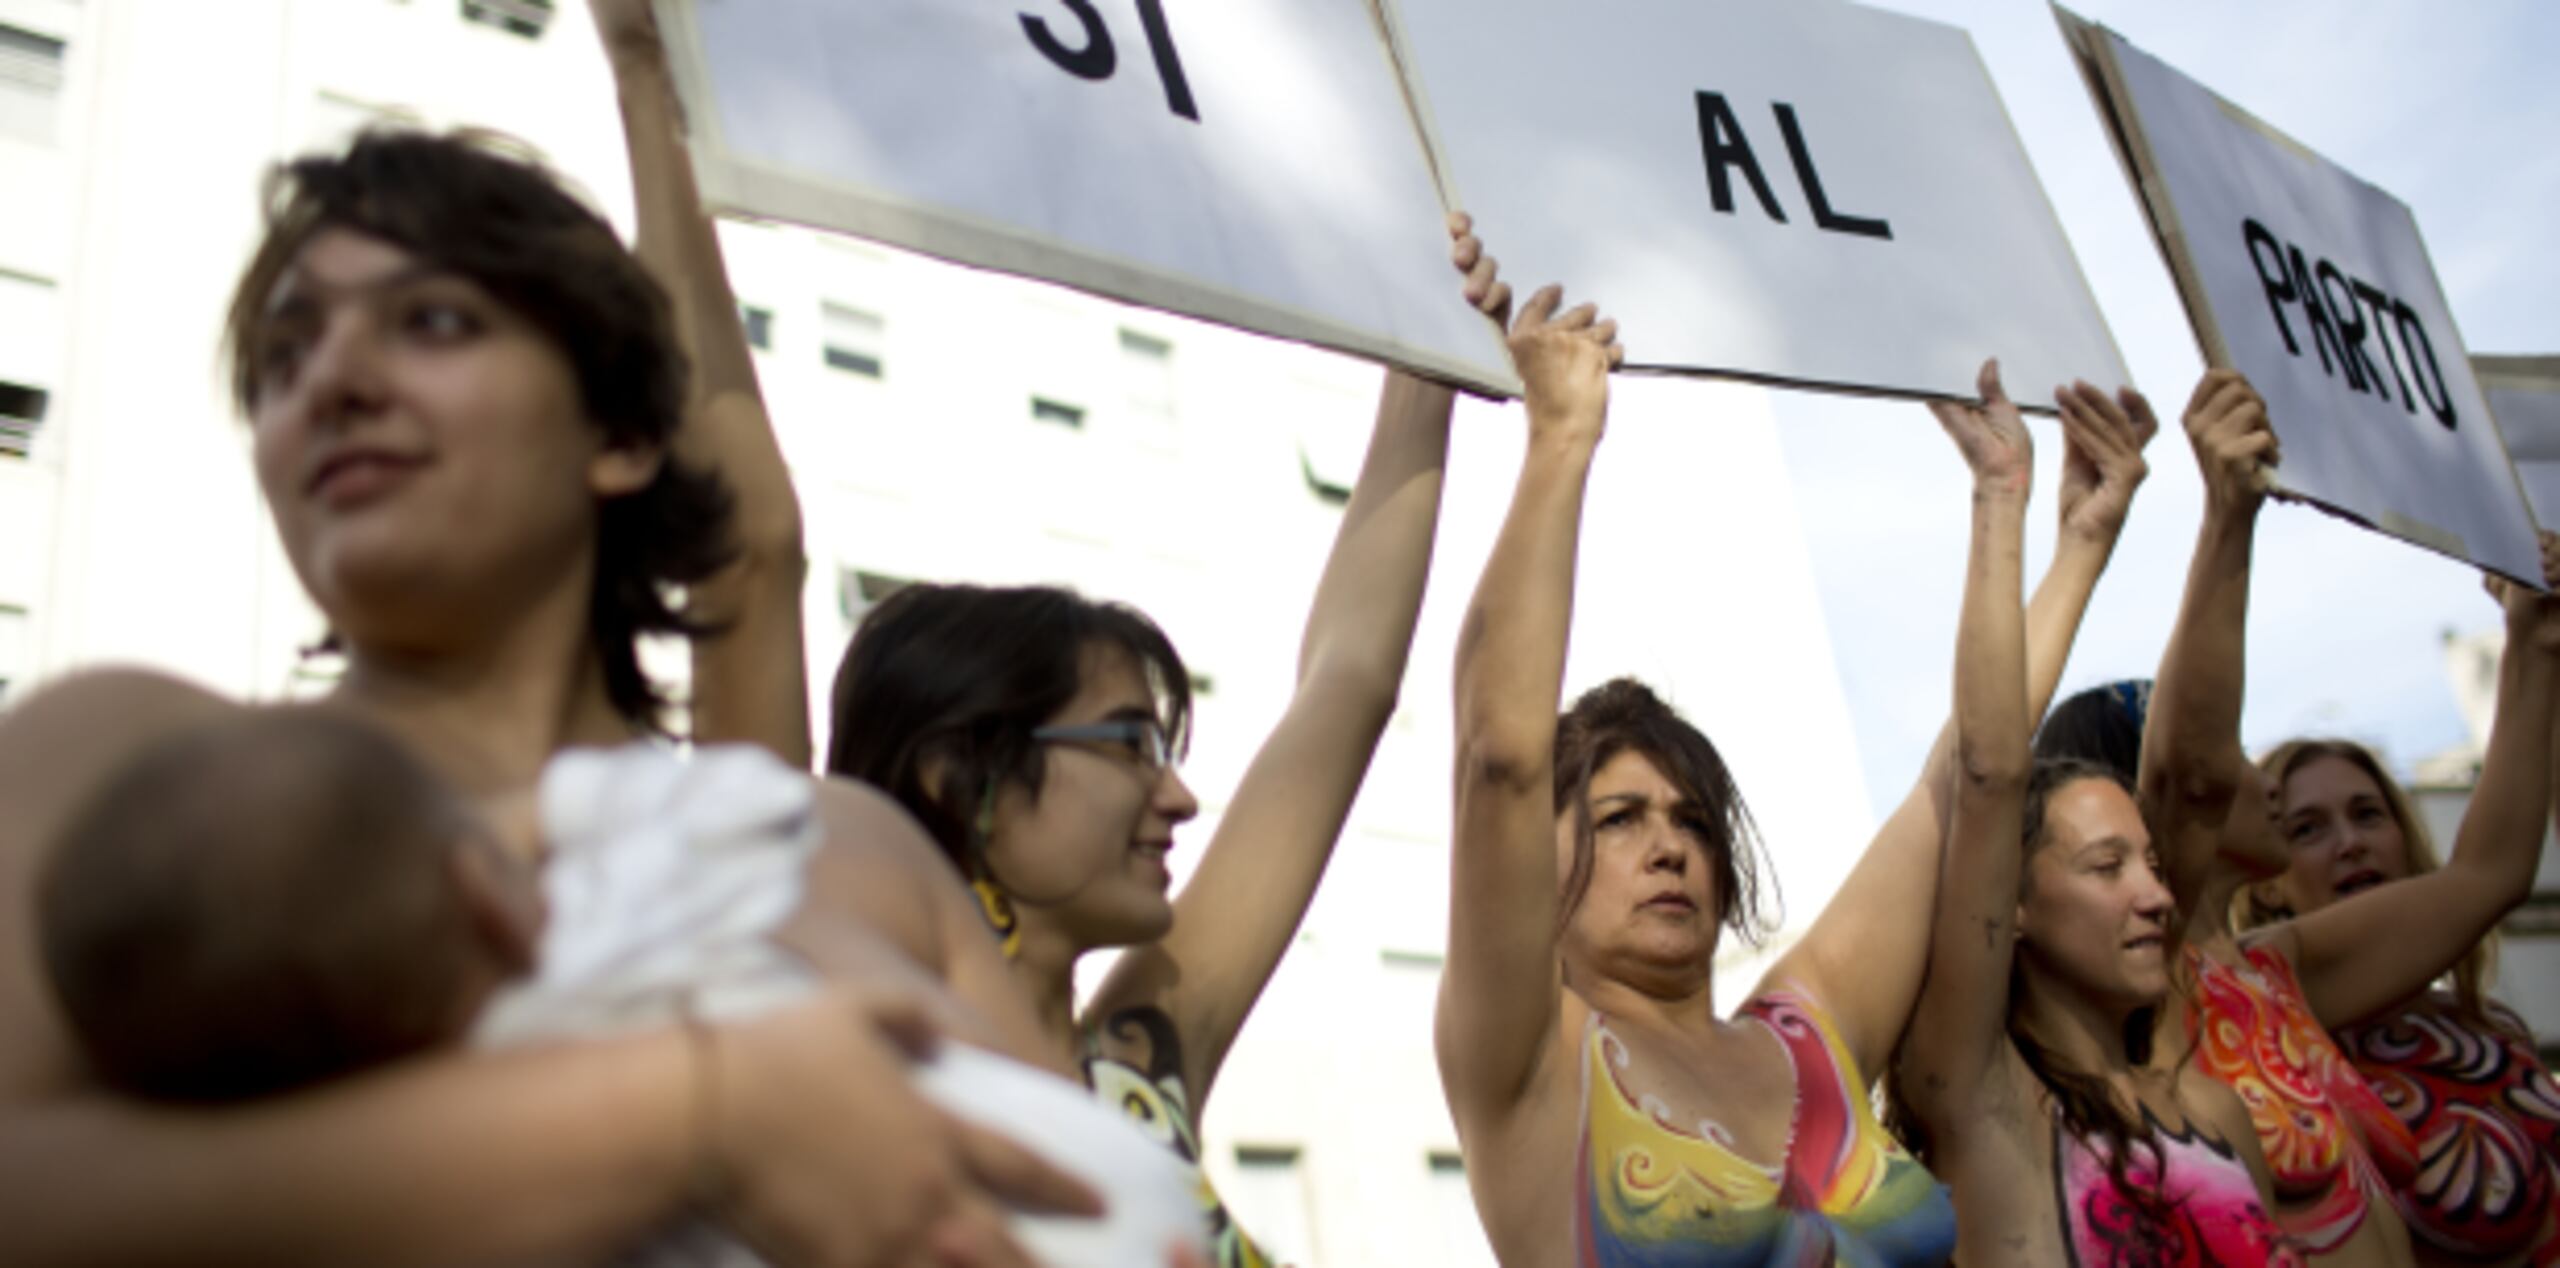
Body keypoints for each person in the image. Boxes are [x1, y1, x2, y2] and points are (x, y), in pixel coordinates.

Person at [0, 121, 1115, 1267]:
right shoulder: (129, 763)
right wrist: (694, 1110)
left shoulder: (846, 847)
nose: (329, 380)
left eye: (431, 321)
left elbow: (1099, 1219)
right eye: (285, 356)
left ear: (624, 435)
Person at [1434, 347, 2161, 1262]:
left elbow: (1968, 774)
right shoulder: (1531, 1059)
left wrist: (2054, 531)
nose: (1670, 849)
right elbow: (1497, 757)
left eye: (1693, 821)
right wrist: (1563, 437)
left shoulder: (1805, 1037)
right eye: (1621, 819)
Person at [2059, 369, 2560, 1267]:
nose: (2267, 780)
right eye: (2242, 749)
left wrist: (2533, 639)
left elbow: (2489, 876)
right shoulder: (2153, 995)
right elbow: (2189, 774)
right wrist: (2228, 517)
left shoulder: (2276, 976)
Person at [1891, 370, 2295, 1265]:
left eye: (2150, 864)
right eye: (2108, 867)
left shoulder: (2219, 1112)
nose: (2157, 895)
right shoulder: (1979, 1100)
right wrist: (2023, 505)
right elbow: (1990, 771)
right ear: (2014, 904)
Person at [2252, 733, 2560, 1265]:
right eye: (2308, 830)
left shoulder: (2488, 1021)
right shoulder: (2281, 1046)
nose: (2350, 843)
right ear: (2267, 884)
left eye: (2368, 815)